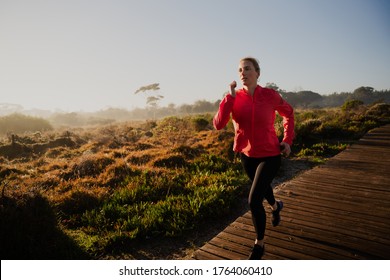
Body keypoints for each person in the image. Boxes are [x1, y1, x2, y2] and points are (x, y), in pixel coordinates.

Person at [213, 57, 294, 260]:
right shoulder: (233, 98)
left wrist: (287, 140)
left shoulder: (270, 95)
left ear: (257, 73)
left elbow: (289, 114)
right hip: (247, 155)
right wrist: (229, 98)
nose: (243, 73)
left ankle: (260, 244)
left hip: (270, 154)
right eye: (240, 70)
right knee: (263, 187)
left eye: (247, 69)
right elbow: (218, 124)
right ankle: (276, 206)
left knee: (254, 199)